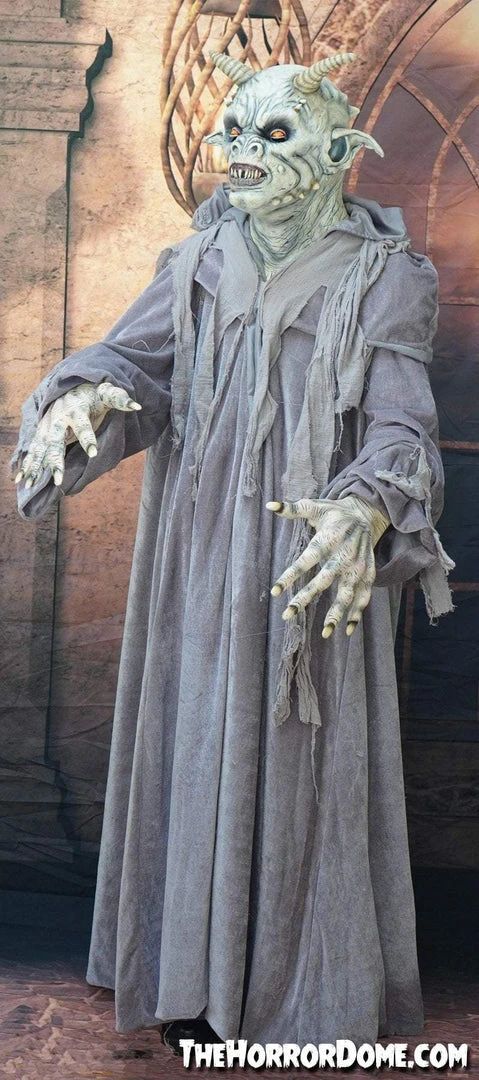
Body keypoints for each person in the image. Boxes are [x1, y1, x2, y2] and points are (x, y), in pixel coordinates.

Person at [14, 51, 453, 1047]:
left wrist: (364, 511)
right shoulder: (199, 260)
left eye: (275, 133)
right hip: (195, 552)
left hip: (305, 559)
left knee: (299, 757)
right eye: (233, 130)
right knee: (193, 730)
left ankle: (295, 993)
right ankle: (185, 973)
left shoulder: (384, 279)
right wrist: (85, 396)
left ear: (338, 154)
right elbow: (136, 369)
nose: (241, 151)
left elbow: (402, 429)